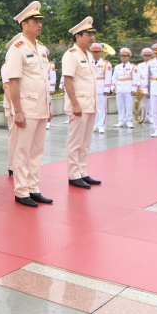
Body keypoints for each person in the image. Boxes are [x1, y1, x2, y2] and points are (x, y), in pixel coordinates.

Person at [4, 1, 53, 207]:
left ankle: (33, 187)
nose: (39, 25)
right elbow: (12, 81)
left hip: (40, 107)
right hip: (26, 107)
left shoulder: (41, 48)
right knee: (22, 151)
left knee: (36, 150)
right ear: (24, 24)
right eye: (34, 21)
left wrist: (48, 106)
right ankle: (21, 191)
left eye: (40, 21)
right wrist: (18, 110)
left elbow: (43, 80)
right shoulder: (17, 48)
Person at [62, 17, 101, 189]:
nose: (92, 38)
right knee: (76, 141)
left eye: (93, 34)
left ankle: (82, 171)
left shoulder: (89, 55)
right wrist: (75, 104)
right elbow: (68, 81)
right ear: (78, 36)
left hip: (90, 104)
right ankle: (73, 174)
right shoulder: (71, 55)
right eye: (88, 34)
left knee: (85, 142)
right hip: (79, 106)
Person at [1, 33, 23, 176]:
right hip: (12, 105)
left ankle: (18, 165)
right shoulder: (7, 66)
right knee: (15, 136)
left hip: (21, 104)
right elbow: (7, 87)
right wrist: (15, 108)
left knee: (20, 138)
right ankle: (12, 165)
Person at [111, 48, 137, 128]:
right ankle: (121, 120)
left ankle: (129, 121)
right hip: (119, 88)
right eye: (122, 56)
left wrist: (134, 89)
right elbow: (114, 77)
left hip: (128, 88)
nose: (123, 58)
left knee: (128, 106)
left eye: (125, 56)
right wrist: (113, 87)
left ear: (129, 57)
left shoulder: (132, 67)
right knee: (120, 105)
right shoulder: (117, 67)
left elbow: (136, 78)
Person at [90, 43, 112, 134]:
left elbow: (108, 77)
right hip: (91, 89)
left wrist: (107, 89)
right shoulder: (89, 62)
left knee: (101, 108)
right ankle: (94, 125)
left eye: (97, 52)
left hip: (101, 88)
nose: (95, 54)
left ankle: (101, 125)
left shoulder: (106, 64)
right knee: (93, 108)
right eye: (93, 52)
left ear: (101, 52)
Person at [137, 48, 153, 124]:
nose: (147, 57)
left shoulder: (153, 64)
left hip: (151, 85)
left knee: (151, 103)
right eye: (145, 55)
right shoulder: (140, 65)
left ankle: (151, 117)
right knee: (143, 102)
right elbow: (137, 76)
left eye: (148, 55)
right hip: (142, 85)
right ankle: (144, 117)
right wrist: (138, 85)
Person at [45, 47, 56, 130]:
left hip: (48, 86)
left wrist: (52, 88)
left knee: (48, 103)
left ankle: (48, 122)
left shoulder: (50, 64)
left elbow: (53, 77)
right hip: (40, 87)